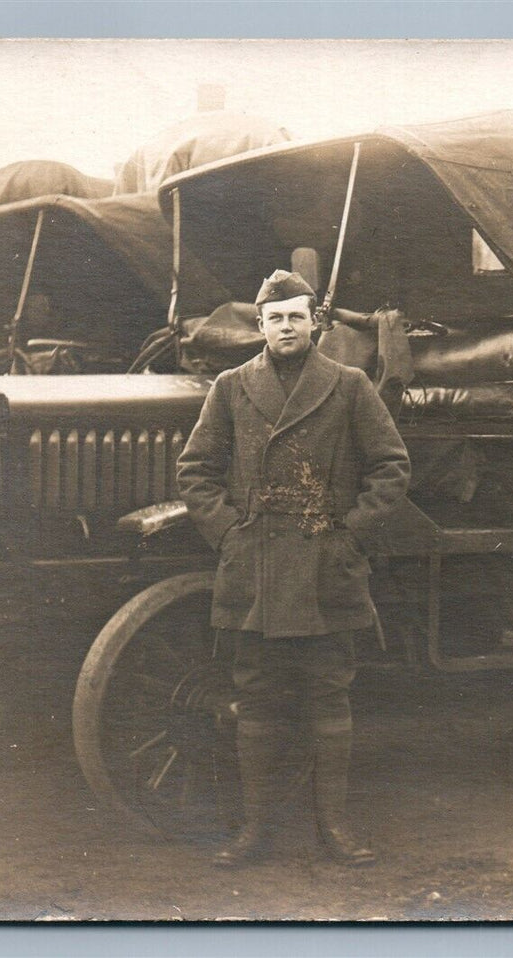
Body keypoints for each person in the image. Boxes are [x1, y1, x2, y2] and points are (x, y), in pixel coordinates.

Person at [176, 270, 410, 867]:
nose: (286, 327)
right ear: (259, 326)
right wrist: (228, 534)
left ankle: (334, 828)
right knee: (255, 699)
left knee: (330, 697)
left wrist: (350, 536)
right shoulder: (230, 387)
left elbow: (391, 469)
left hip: (324, 565)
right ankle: (256, 830)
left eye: (297, 317)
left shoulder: (350, 385)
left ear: (315, 325)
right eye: (275, 318)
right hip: (255, 566)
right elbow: (196, 471)